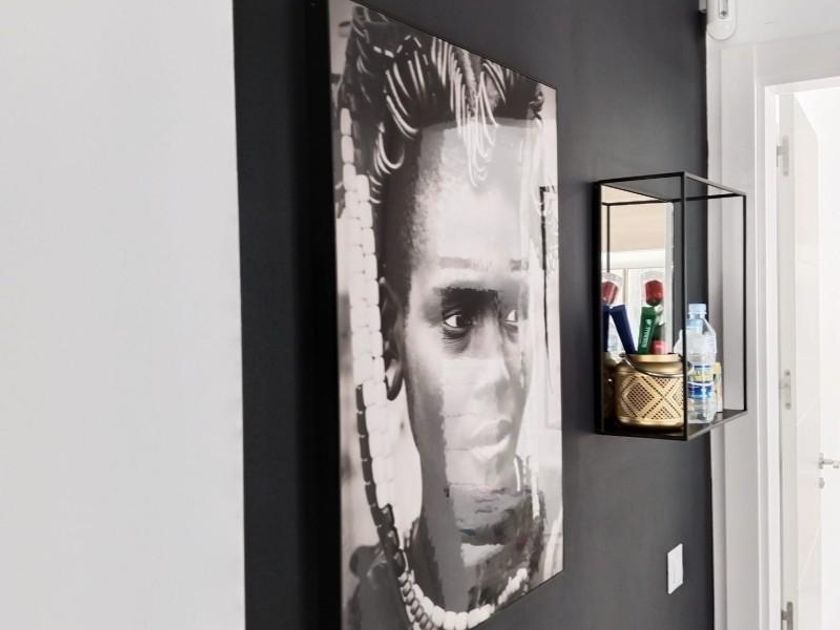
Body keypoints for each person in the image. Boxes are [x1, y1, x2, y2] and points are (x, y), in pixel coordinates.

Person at [336, 6, 559, 629]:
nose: (498, 372)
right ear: (390, 338)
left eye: (515, 312)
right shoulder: (368, 610)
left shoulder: (567, 538)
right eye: (457, 319)